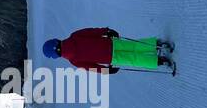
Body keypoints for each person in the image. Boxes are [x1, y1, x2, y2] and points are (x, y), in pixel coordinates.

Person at [41, 27, 175, 75]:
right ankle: (158, 45)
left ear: (56, 56)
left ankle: (160, 61)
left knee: (134, 59)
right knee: (133, 46)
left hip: (109, 58)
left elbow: (91, 67)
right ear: (56, 40)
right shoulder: (74, 36)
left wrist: (106, 70)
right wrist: (106, 31)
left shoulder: (74, 60)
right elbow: (91, 32)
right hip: (110, 43)